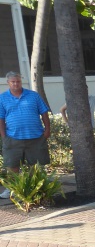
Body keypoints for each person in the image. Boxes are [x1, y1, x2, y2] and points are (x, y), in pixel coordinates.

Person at [0, 71, 52, 199]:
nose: (16, 84)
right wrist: (3, 136)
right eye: (13, 82)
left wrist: (47, 130)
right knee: (12, 166)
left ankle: (34, 188)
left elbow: (44, 113)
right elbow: (0, 118)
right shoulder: (2, 98)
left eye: (18, 81)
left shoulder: (33, 96)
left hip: (35, 138)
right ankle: (11, 190)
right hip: (12, 138)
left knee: (35, 166)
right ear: (8, 83)